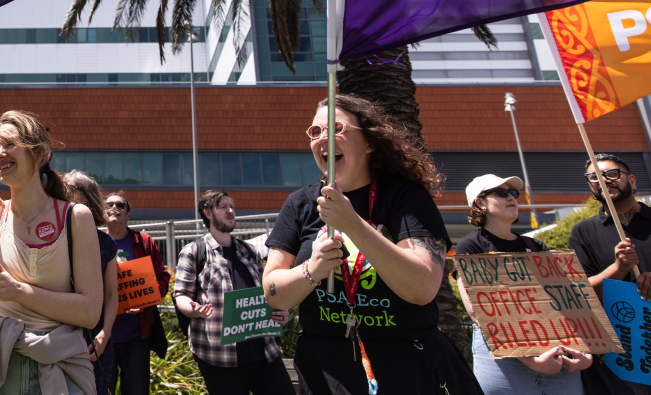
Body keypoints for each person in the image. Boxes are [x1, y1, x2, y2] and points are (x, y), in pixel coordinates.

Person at [263, 94, 482, 395]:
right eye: (316, 131)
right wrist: (311, 270)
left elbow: (423, 288)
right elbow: (274, 293)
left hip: (405, 367)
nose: (323, 138)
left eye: (336, 128)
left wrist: (354, 224)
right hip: (326, 371)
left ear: (369, 143)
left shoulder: (406, 197)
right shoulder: (300, 204)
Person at [0, 22, 103, 395]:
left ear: (38, 154)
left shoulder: (76, 217)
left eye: (8, 145)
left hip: (62, 375)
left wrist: (18, 292)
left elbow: (90, 311)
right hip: (0, 372)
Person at [456, 174, 591, 394]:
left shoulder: (536, 245)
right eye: (501, 192)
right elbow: (477, 310)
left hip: (553, 350)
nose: (511, 197)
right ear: (480, 202)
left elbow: (568, 303)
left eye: (513, 193)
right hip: (504, 359)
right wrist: (531, 360)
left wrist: (586, 353)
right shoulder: (470, 245)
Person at [174, 190, 292, 395]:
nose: (230, 211)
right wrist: (192, 309)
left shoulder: (250, 251)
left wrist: (282, 309)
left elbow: (270, 290)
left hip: (264, 352)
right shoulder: (194, 251)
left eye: (232, 207)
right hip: (220, 358)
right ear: (208, 213)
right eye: (223, 207)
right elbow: (181, 294)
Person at [569, 153, 651, 395]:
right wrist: (618, 269)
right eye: (594, 177)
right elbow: (580, 293)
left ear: (633, 181)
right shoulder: (583, 232)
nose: (603, 180)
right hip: (627, 347)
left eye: (612, 174)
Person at [101, 191, 169, 395]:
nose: (114, 208)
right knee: (102, 390)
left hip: (136, 336)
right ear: (102, 212)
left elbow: (162, 278)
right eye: (109, 205)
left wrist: (147, 298)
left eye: (120, 206)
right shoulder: (94, 241)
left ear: (128, 214)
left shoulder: (144, 242)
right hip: (104, 335)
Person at [63, 170, 119, 395]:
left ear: (87, 197)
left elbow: (112, 295)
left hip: (94, 337)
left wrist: (104, 334)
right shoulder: (51, 236)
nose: (63, 192)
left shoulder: (105, 243)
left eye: (71, 188)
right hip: (59, 333)